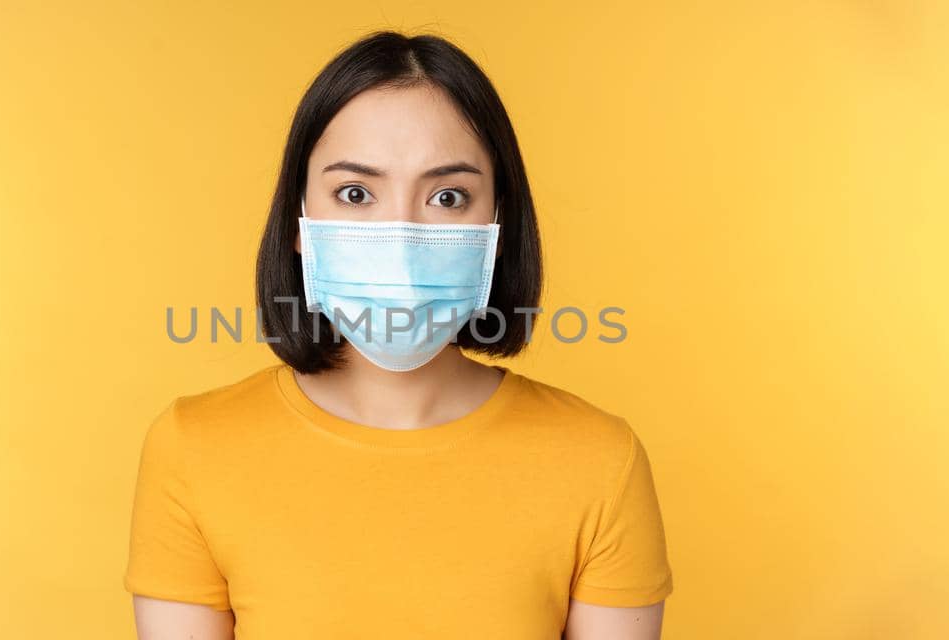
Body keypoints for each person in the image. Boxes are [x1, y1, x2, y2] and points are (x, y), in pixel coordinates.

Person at [125, 31, 673, 639]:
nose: (402, 238)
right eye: (356, 193)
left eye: (447, 196)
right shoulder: (194, 449)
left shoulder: (600, 460)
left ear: (496, 224)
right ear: (300, 223)